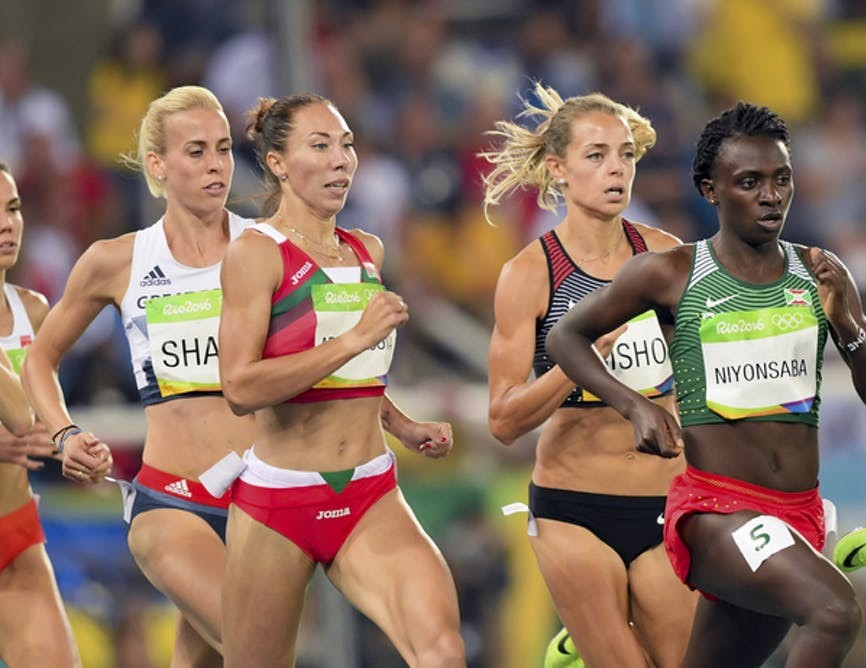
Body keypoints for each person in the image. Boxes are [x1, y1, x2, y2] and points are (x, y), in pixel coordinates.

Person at [548, 101, 866, 667]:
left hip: (799, 514)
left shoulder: (818, 273)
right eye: (749, 183)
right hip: (717, 513)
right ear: (710, 190)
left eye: (781, 179)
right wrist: (634, 406)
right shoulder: (672, 273)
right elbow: (565, 336)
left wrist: (845, 324)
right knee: (835, 612)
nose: (771, 196)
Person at [216, 93, 463, 667]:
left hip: (369, 492)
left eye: (346, 145)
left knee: (443, 650)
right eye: (320, 145)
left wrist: (401, 423)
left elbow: (354, 375)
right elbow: (240, 388)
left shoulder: (365, 250)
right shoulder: (256, 253)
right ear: (278, 163)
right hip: (278, 502)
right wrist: (352, 339)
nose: (340, 160)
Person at [23, 85, 251, 665]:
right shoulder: (117, 260)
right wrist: (65, 433)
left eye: (223, 148)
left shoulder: (268, 248)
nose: (216, 165)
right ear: (157, 165)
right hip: (173, 502)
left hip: (263, 504)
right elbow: (40, 360)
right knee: (256, 646)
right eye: (196, 151)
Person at [482, 82, 695, 668]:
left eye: (625, 154)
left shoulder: (666, 257)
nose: (616, 169)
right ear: (558, 169)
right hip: (574, 508)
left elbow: (701, 379)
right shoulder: (530, 273)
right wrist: (577, 356)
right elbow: (503, 421)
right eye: (596, 156)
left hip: (665, 500)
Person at [0, 161, 80, 667]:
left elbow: (39, 421)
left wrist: (71, 443)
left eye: (12, 208)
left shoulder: (34, 311)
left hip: (14, 532)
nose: (6, 224)